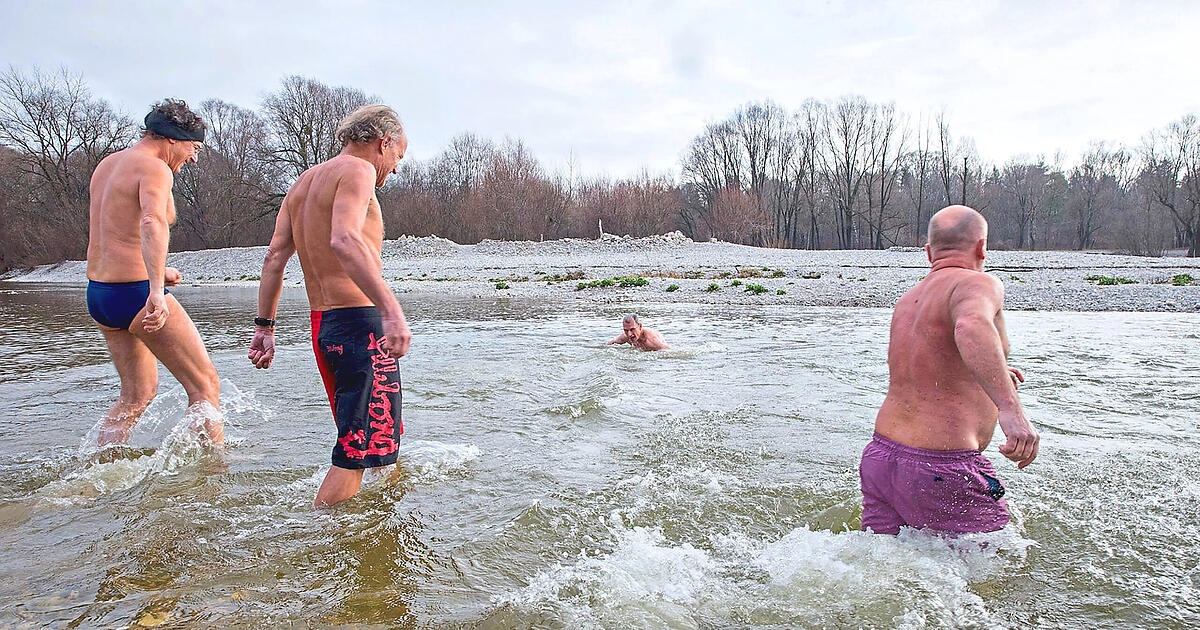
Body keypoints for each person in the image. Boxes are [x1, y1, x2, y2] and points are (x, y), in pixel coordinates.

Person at [248, 104, 412, 507]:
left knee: (372, 438)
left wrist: (265, 327)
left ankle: (385, 515)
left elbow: (273, 258)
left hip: (325, 328)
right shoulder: (357, 171)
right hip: (361, 326)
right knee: (354, 454)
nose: (394, 169)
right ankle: (319, 539)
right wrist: (390, 309)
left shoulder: (303, 184)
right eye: (397, 158)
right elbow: (344, 239)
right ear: (383, 143)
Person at [860, 205, 1039, 535]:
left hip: (881, 460)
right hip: (940, 465)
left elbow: (925, 368)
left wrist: (991, 376)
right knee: (1002, 567)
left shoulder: (907, 301)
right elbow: (970, 326)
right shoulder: (977, 283)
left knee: (889, 565)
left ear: (929, 252)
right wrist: (1009, 408)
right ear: (982, 247)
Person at [85, 99, 223, 446]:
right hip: (136, 294)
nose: (194, 158)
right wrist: (156, 289)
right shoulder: (153, 168)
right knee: (205, 385)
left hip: (100, 294)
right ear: (173, 139)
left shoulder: (108, 164)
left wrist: (160, 271)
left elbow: (124, 228)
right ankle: (215, 471)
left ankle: (100, 465)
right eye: (194, 148)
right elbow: (151, 221)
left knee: (137, 394)